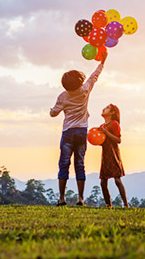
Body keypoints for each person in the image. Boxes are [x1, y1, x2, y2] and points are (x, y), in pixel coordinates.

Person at [50, 52, 107, 206]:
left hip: (68, 133)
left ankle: (62, 198)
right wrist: (102, 62)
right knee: (80, 164)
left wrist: (52, 110)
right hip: (82, 132)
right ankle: (80, 199)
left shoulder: (63, 96)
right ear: (80, 81)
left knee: (64, 164)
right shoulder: (85, 90)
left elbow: (53, 114)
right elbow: (95, 76)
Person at [98, 104, 129, 207]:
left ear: (112, 113)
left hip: (114, 154)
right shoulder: (102, 126)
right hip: (105, 156)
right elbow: (101, 141)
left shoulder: (114, 124)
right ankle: (108, 205)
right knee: (103, 182)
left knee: (117, 180)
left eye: (107, 108)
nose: (104, 108)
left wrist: (105, 132)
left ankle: (125, 204)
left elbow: (118, 140)